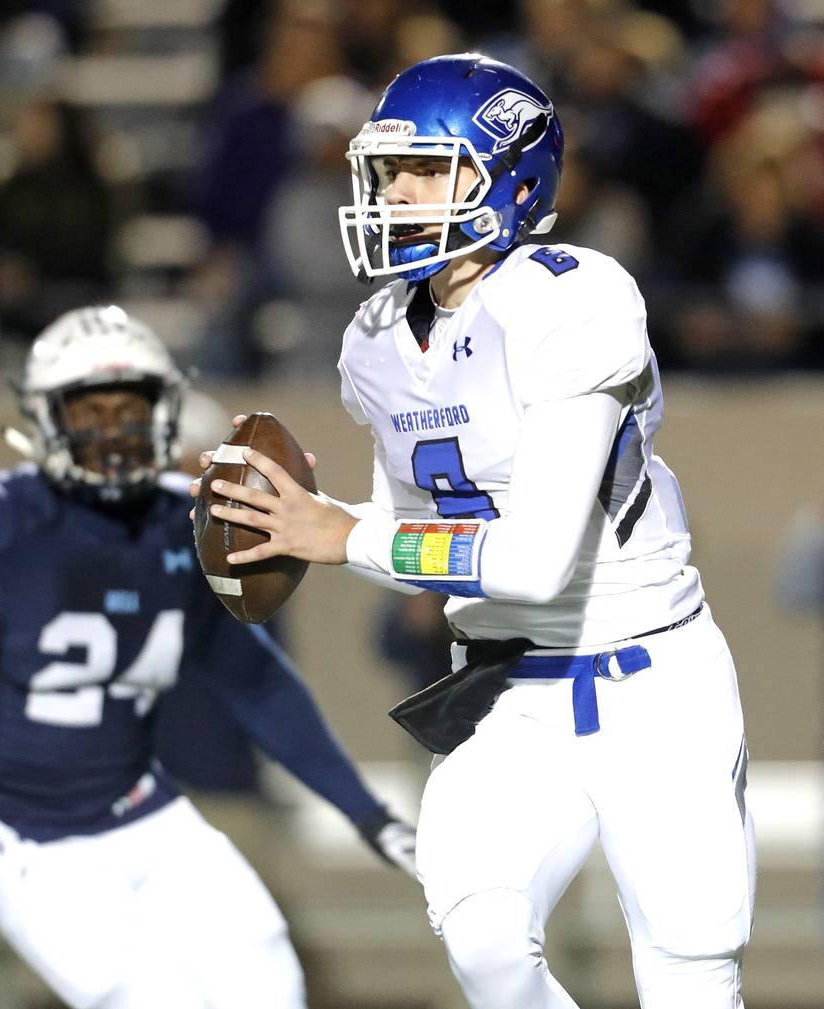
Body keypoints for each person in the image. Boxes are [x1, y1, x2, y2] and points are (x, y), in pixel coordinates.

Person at [193, 54, 755, 1009]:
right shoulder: (374, 336)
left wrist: (345, 533)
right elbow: (412, 540)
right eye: (389, 170)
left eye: (428, 170)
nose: (396, 192)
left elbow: (534, 561)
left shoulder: (572, 299)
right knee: (487, 945)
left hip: (653, 688)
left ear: (511, 177)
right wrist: (308, 523)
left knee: (689, 977)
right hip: (509, 693)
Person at [0, 305, 416, 1009]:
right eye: (93, 411)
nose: (115, 430)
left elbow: (257, 680)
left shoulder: (182, 524)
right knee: (151, 995)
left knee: (266, 972)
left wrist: (368, 815)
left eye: (131, 406)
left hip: (137, 804)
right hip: (15, 823)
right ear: (48, 418)